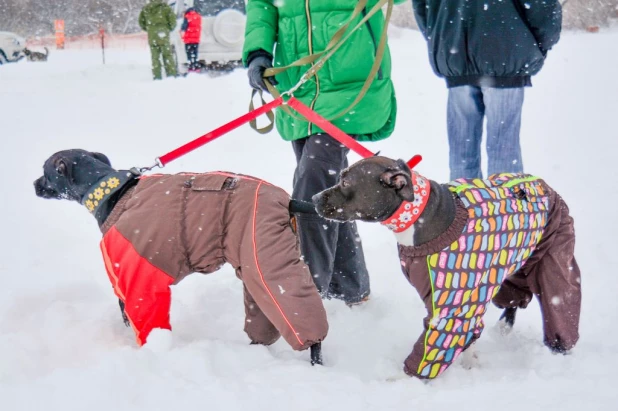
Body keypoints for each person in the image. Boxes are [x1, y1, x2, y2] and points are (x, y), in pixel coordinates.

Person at [243, 0, 404, 306]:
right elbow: (261, 5)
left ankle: (305, 293)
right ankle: (351, 287)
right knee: (326, 189)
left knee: (313, 179)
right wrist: (257, 52)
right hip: (298, 82)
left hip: (350, 80)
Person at [412, 0, 562, 180]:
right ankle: (504, 203)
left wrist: (440, 36)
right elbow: (543, 8)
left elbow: (421, 7)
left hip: (456, 52)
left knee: (463, 150)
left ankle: (464, 202)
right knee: (503, 146)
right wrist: (540, 43)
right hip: (505, 53)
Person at [139, 0, 178, 80]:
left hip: (152, 35)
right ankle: (171, 75)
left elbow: (141, 22)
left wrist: (149, 29)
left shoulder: (146, 8)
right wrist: (168, 29)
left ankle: (157, 77)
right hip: (163, 34)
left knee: (155, 58)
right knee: (167, 56)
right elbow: (173, 21)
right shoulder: (166, 8)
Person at [180, 7, 202, 72]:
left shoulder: (187, 17)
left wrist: (181, 29)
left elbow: (184, 27)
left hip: (188, 39)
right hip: (196, 39)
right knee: (195, 53)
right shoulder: (198, 16)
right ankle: (196, 67)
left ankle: (190, 67)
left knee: (189, 54)